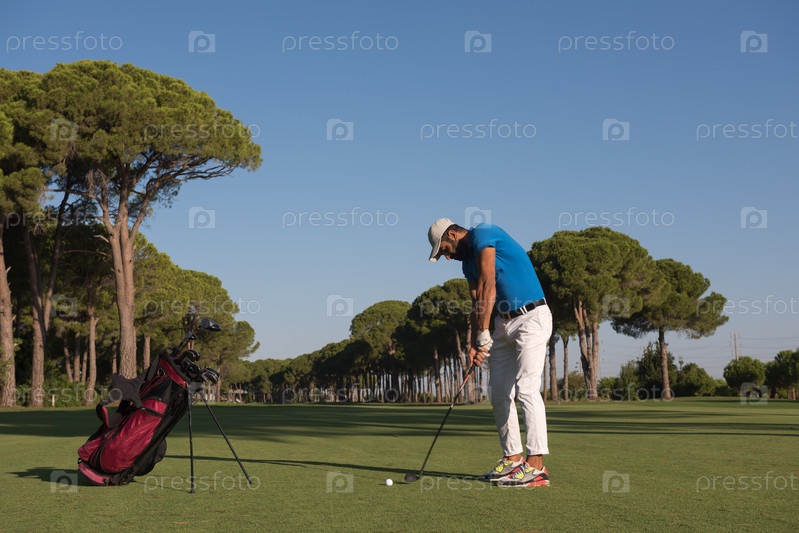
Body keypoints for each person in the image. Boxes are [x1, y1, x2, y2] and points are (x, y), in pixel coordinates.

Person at [427, 217, 552, 487]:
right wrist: (476, 342)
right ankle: (513, 459)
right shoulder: (467, 263)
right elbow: (477, 302)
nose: (447, 257)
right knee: (498, 391)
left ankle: (537, 467)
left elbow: (488, 285)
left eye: (444, 250)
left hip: (531, 317)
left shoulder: (484, 233)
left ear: (452, 234)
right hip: (503, 324)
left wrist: (484, 333)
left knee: (526, 388)